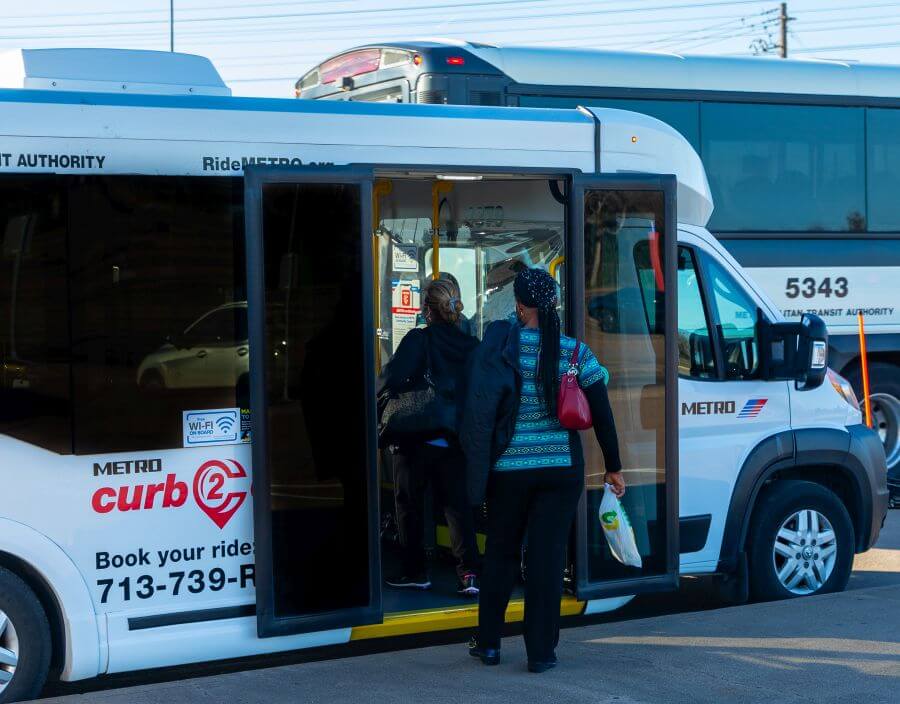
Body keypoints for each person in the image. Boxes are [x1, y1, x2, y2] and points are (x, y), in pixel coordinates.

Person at [462, 267, 625, 672]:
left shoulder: (502, 349)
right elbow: (603, 414)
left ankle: (489, 645)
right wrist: (614, 467)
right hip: (560, 471)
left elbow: (478, 405)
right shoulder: (575, 353)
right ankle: (540, 654)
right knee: (546, 560)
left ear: (520, 306)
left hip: (509, 471)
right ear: (552, 304)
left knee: (500, 553)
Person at [378, 278, 482, 596]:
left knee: (409, 504)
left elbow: (392, 377)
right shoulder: (472, 345)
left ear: (427, 309)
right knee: (457, 506)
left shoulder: (418, 339)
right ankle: (469, 574)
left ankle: (415, 571)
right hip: (455, 437)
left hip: (417, 436)